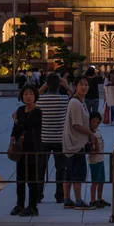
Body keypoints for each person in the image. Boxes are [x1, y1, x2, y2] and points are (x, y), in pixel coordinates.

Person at [62, 76, 97, 210]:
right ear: (76, 86)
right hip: (76, 144)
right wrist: (91, 134)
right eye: (81, 84)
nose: (84, 87)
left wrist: (66, 86)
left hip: (70, 144)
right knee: (78, 173)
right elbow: (77, 125)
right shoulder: (76, 103)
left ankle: (67, 199)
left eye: (86, 84)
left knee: (69, 172)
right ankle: (78, 200)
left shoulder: (77, 100)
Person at [37, 73, 72, 203]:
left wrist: (44, 85)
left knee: (40, 168)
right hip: (59, 139)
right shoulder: (63, 99)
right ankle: (60, 194)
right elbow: (76, 96)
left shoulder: (40, 100)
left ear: (47, 85)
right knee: (60, 168)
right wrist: (66, 84)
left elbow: (32, 97)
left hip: (44, 138)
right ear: (59, 85)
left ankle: (38, 194)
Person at [9, 84, 43, 217]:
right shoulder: (20, 109)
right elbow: (15, 129)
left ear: (35, 96)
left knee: (32, 179)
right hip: (20, 149)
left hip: (33, 148)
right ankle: (20, 204)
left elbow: (27, 125)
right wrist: (11, 144)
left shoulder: (37, 111)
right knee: (20, 178)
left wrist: (16, 119)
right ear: (22, 96)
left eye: (31, 94)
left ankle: (33, 206)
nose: (28, 96)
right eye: (25, 94)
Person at [87, 111, 110, 208]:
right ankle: (92, 200)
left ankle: (99, 198)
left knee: (101, 181)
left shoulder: (97, 132)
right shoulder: (89, 134)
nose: (95, 124)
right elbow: (91, 149)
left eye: (97, 123)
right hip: (94, 161)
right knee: (95, 181)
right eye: (93, 122)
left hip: (100, 159)